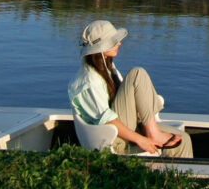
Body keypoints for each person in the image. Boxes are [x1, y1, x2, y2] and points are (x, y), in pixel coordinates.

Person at [68, 20, 192, 157]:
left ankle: (179, 177)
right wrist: (141, 140)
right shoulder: (88, 82)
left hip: (122, 128)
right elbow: (107, 120)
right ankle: (153, 133)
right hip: (112, 139)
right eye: (113, 41)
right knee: (137, 74)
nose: (119, 43)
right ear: (100, 48)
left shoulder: (107, 68)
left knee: (184, 139)